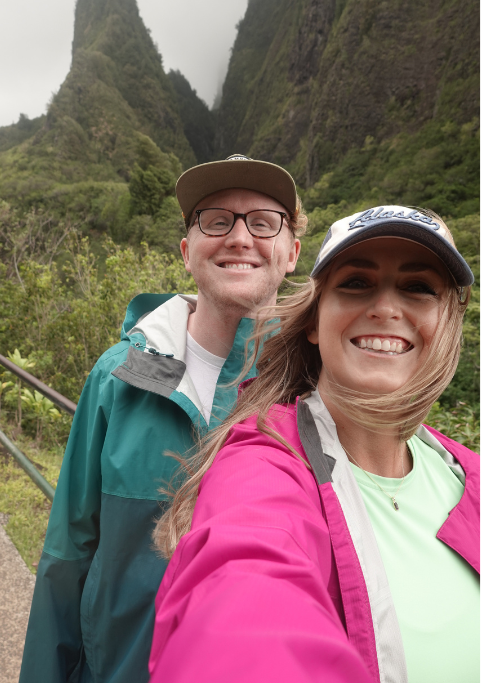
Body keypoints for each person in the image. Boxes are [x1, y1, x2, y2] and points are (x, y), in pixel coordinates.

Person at [148, 206, 479, 683]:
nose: (386, 308)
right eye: (356, 284)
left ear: (449, 322)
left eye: (418, 288)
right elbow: (244, 593)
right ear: (314, 321)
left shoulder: (472, 475)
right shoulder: (264, 463)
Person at [20, 155, 305, 683]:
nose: (239, 238)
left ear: (291, 252)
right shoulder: (121, 375)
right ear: (186, 250)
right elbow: (68, 552)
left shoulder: (310, 393)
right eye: (216, 220)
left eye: (263, 222)